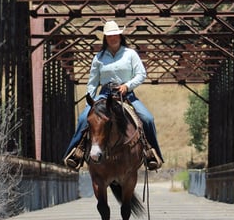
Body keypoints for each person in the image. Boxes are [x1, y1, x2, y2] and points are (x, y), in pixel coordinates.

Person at [63, 20, 163, 171]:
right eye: (109, 36)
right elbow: (92, 82)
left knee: (148, 118)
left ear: (120, 35)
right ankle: (76, 152)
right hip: (104, 94)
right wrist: (89, 104)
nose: (113, 38)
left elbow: (141, 74)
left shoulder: (130, 54)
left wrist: (127, 85)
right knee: (84, 118)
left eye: (115, 34)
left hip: (126, 94)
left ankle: (151, 154)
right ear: (105, 38)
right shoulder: (99, 58)